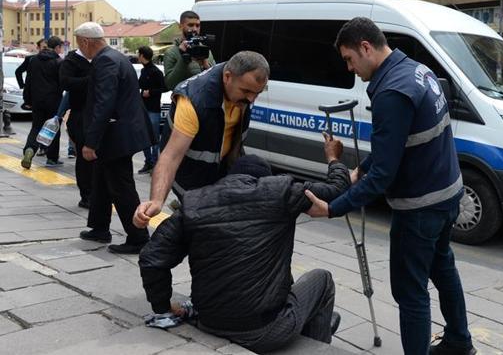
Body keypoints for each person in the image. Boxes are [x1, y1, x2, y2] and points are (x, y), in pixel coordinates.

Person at [305, 17, 475, 355]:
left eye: (349, 59)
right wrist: (357, 171)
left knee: (410, 292)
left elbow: (384, 175)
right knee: (443, 268)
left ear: (366, 47)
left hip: (420, 207)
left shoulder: (391, 93)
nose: (350, 68)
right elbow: (397, 145)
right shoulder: (417, 70)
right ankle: (459, 341)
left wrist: (333, 208)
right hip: (448, 194)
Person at [137, 140, 349, 353]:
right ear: (264, 179)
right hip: (264, 330)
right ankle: (317, 346)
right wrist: (333, 158)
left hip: (209, 321)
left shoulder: (194, 202)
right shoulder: (279, 191)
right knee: (322, 280)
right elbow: (337, 189)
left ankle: (314, 323)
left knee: (281, 276)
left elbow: (152, 258)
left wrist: (163, 307)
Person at [133, 51, 268, 225]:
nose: (251, 99)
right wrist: (156, 201)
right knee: (206, 235)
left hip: (220, 177)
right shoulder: (194, 101)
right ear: (227, 77)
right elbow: (170, 157)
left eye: (257, 93)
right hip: (192, 182)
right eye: (246, 91)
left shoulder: (239, 87)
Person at [74, 22, 153, 254]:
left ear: (86, 42)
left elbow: (103, 104)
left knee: (121, 187)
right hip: (121, 132)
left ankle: (139, 238)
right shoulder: (116, 57)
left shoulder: (105, 61)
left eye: (80, 44)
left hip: (117, 136)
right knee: (101, 180)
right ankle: (99, 228)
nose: (81, 49)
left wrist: (90, 142)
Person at [20, 36, 64, 169]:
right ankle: (52, 158)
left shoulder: (34, 60)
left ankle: (29, 149)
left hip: (37, 101)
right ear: (56, 47)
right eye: (60, 47)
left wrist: (27, 99)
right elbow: (62, 83)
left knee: (36, 127)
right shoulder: (58, 62)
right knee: (53, 128)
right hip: (54, 101)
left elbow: (29, 81)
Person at [60, 47, 94, 209]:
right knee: (84, 156)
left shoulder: (99, 58)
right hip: (80, 116)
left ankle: (95, 193)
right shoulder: (71, 61)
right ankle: (86, 195)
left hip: (96, 115)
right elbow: (65, 83)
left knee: (95, 158)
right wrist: (89, 80)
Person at [163, 10, 215, 90]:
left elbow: (215, 79)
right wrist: (184, 59)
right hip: (183, 100)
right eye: (190, 25)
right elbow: (170, 85)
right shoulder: (171, 53)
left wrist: (205, 64)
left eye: (197, 26)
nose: (195, 29)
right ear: (180, 26)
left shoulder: (205, 50)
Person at [137, 46, 167, 174]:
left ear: (143, 56)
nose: (138, 56)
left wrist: (151, 92)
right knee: (143, 137)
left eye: (139, 54)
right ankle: (148, 161)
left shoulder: (156, 72)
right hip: (143, 109)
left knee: (154, 137)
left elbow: (165, 87)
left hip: (153, 109)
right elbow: (139, 87)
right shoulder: (143, 71)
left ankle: (155, 163)